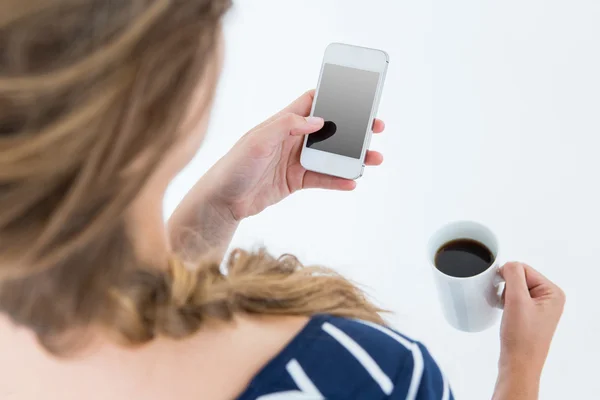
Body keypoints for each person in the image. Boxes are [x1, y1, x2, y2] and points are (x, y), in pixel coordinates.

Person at [0, 1, 565, 399]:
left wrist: (213, 215)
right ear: (164, 94)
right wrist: (520, 367)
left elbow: (134, 325)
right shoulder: (367, 377)